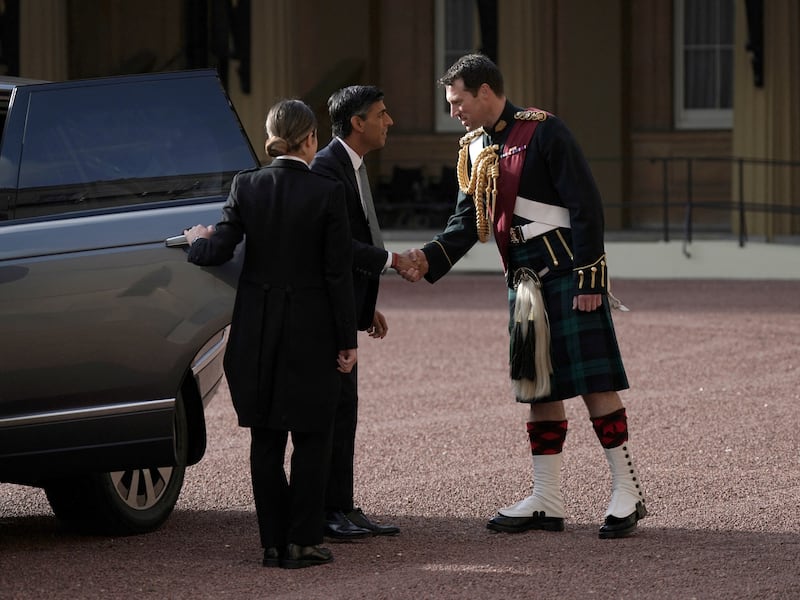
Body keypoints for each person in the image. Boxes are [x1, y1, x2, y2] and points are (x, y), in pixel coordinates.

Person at [407, 53, 647, 539]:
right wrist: (428, 258)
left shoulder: (544, 131)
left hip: (564, 271)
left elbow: (586, 206)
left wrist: (589, 280)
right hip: (522, 281)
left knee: (594, 382)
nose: (454, 112)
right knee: (538, 388)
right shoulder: (474, 147)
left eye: (458, 102)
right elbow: (465, 223)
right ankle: (547, 498)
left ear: (485, 92)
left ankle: (628, 489)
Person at [184, 99, 358, 568]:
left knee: (265, 441)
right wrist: (348, 340)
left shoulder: (247, 185)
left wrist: (197, 240)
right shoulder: (327, 191)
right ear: (310, 141)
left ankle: (272, 542)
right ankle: (302, 540)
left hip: (257, 331)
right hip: (312, 330)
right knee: (312, 438)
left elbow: (218, 248)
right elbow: (337, 275)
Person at [310, 85, 416, 539]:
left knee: (345, 410)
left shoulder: (350, 165)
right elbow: (335, 248)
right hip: (322, 316)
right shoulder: (327, 169)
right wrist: (393, 261)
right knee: (330, 412)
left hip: (345, 309)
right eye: (381, 113)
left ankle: (343, 506)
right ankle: (325, 510)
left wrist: (366, 307)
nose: (389, 121)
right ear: (357, 123)